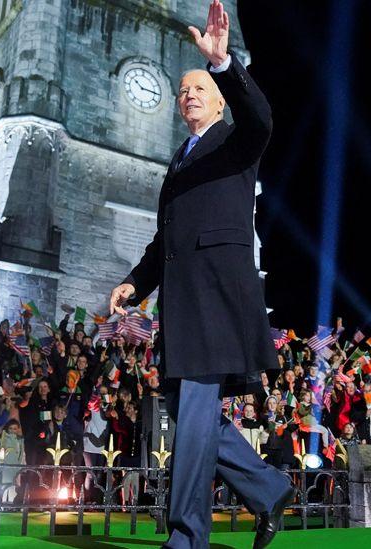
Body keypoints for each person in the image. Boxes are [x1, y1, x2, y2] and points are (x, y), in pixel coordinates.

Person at [106, 3, 292, 547]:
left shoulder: (236, 143)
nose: (188, 93)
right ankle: (268, 489)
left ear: (217, 99)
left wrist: (222, 64)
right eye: (183, 88)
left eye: (199, 87)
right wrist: (135, 283)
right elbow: (167, 238)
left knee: (191, 418)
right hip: (181, 309)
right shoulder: (179, 160)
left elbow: (261, 117)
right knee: (197, 420)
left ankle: (187, 537)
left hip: (218, 302)